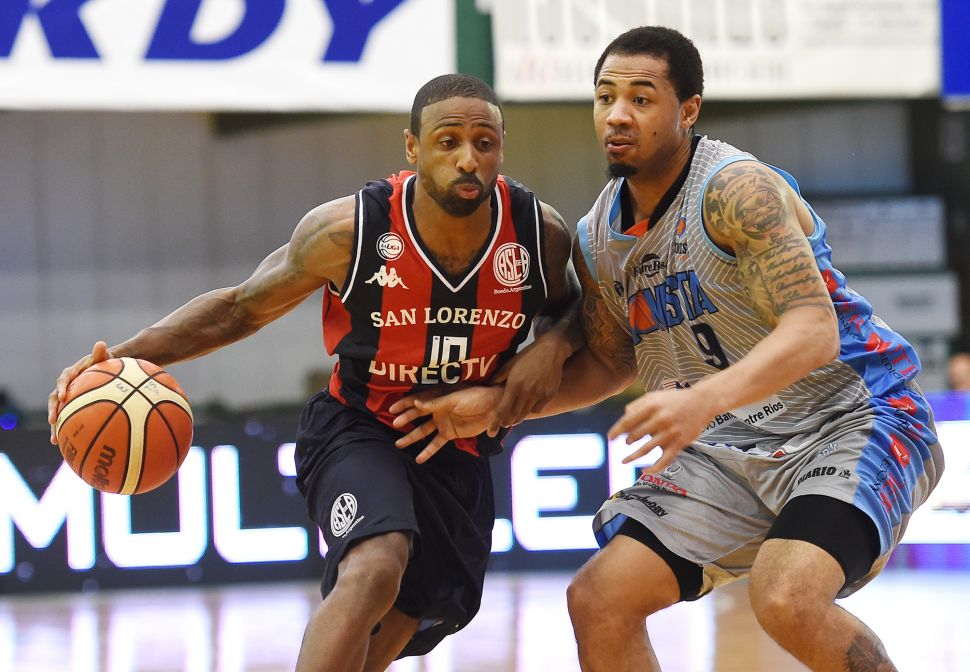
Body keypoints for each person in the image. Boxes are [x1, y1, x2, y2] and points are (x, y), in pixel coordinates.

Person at [390, 27, 945, 671]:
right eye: (605, 97)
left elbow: (813, 329)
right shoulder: (598, 236)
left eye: (641, 98)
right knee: (599, 599)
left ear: (688, 110)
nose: (617, 115)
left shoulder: (738, 191)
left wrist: (701, 401)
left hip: (852, 418)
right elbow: (608, 362)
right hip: (728, 447)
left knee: (786, 597)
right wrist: (498, 407)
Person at [48, 74, 579, 671]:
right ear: (412, 146)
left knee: (414, 612)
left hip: (459, 446)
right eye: (448, 141)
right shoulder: (349, 232)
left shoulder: (538, 235)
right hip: (359, 425)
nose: (467, 159)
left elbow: (581, 316)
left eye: (484, 142)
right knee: (376, 565)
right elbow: (238, 308)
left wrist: (554, 344)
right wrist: (126, 355)